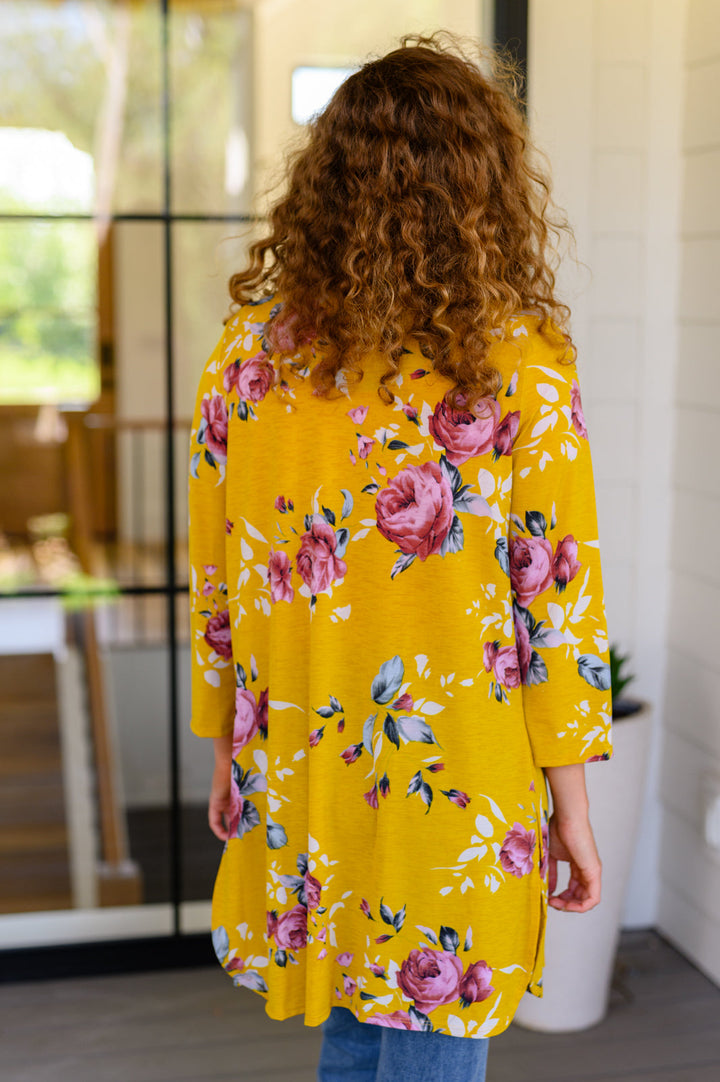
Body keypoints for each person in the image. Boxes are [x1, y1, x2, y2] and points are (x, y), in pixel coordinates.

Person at [188, 32, 612, 1082]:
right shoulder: (520, 368)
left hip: (303, 755)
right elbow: (555, 606)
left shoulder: (248, 360)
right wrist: (572, 808)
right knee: (426, 1022)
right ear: (488, 190)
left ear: (325, 185)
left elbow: (218, 581)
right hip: (459, 776)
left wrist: (225, 747)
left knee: (356, 1005)